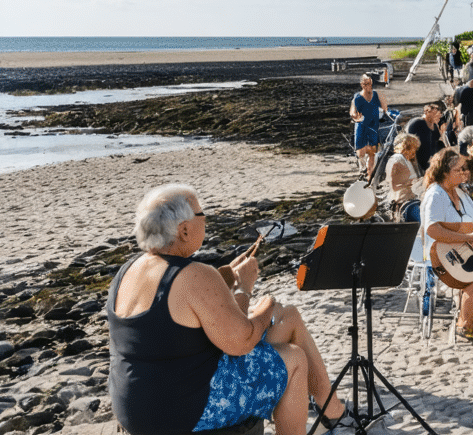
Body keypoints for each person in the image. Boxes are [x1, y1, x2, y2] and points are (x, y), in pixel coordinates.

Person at [108, 185, 348, 435]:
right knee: (293, 358)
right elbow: (240, 342)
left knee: (289, 317)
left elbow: (175, 325)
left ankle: (332, 410)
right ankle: (327, 414)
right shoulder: (194, 275)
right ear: (184, 230)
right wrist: (251, 293)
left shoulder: (128, 271)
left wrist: (225, 286)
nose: (205, 221)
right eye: (201, 215)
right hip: (182, 410)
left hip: (138, 405)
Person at [421, 152, 473, 344]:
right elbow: (432, 229)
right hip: (443, 256)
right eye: (459, 169)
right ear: (444, 172)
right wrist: (466, 237)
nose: (465, 172)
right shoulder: (436, 194)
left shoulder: (460, 193)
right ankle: (465, 324)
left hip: (465, 252)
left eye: (465, 168)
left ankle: (470, 317)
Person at [349, 74, 386, 181]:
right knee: (361, 152)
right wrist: (355, 117)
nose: (367, 86)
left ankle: (370, 175)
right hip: (361, 125)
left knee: (372, 151)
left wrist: (383, 112)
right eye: (365, 84)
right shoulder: (357, 97)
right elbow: (352, 111)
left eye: (369, 84)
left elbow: (384, 108)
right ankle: (362, 169)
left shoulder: (376, 95)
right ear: (361, 84)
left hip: (373, 125)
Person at [387, 133, 423, 223]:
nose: (415, 152)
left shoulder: (407, 160)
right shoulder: (396, 160)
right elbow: (393, 187)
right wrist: (410, 184)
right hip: (404, 204)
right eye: (413, 148)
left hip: (412, 201)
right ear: (405, 147)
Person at [405, 103, 447, 173]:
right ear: (427, 112)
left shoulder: (435, 127)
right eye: (435, 114)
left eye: (439, 115)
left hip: (431, 165)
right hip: (417, 165)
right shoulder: (417, 124)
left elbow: (437, 143)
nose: (438, 117)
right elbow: (409, 145)